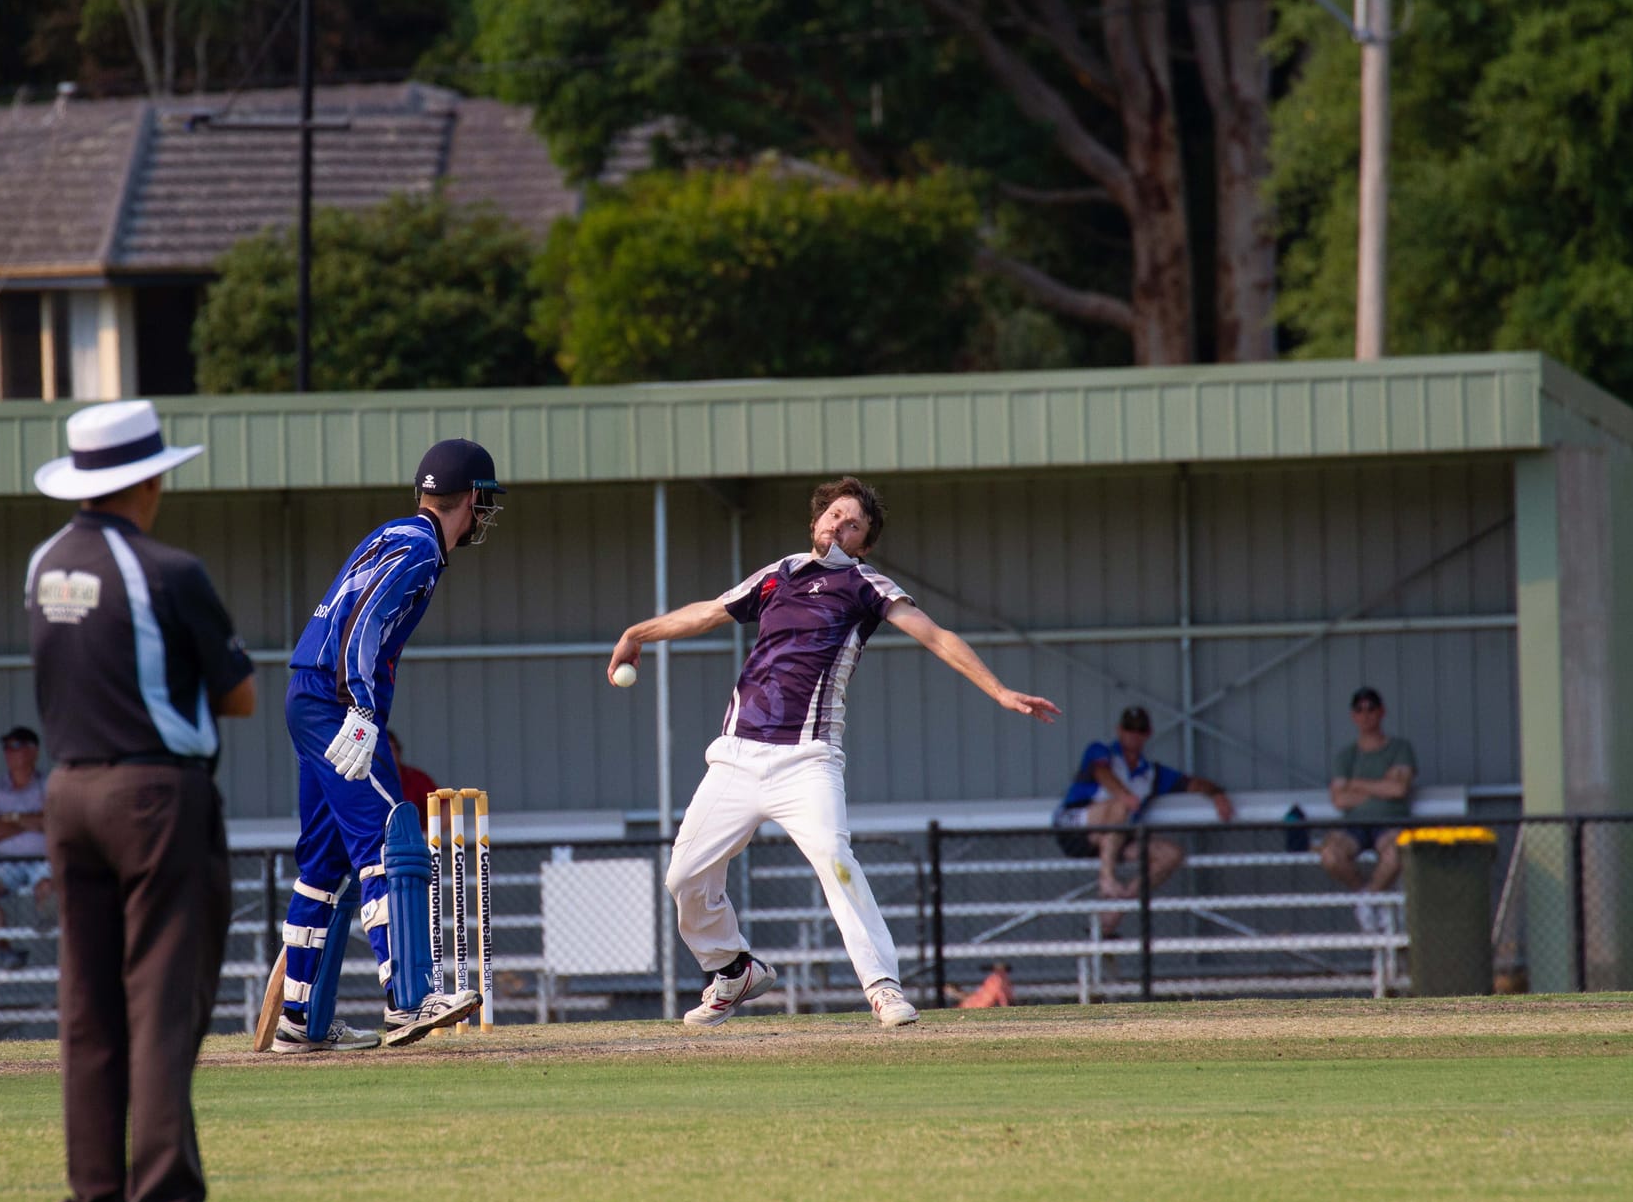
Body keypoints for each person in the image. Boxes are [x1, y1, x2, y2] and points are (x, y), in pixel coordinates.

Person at [608, 476, 1060, 1030]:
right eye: (835, 516)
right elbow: (707, 611)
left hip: (808, 759)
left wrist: (999, 690)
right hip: (737, 756)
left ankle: (883, 987)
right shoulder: (779, 574)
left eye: (854, 525)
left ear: (864, 544)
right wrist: (639, 632)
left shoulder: (867, 584)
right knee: (684, 876)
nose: (840, 526)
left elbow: (936, 635)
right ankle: (733, 969)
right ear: (817, 521)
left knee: (835, 861)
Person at [27, 399, 274, 1202]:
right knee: (163, 1006)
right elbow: (240, 694)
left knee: (89, 1012)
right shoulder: (169, 569)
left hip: (68, 792)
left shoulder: (44, 563)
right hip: (157, 797)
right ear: (149, 477)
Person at [278, 440, 501, 1053]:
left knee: (322, 866)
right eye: (486, 504)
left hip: (306, 693)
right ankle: (409, 1000)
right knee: (387, 839)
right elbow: (365, 625)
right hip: (334, 698)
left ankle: (298, 1023)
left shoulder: (392, 531)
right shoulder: (423, 550)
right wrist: (363, 710)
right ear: (474, 500)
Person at [1051, 706, 1235, 936]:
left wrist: (1217, 794)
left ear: (1147, 734)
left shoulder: (1152, 773)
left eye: (1139, 730)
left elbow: (1192, 784)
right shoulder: (1101, 752)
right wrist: (1125, 796)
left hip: (1115, 838)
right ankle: (1106, 879)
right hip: (1076, 827)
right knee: (1119, 809)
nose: (1133, 735)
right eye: (1129, 729)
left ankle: (1114, 912)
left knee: (1171, 854)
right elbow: (1101, 773)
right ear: (1119, 730)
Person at [1320, 686, 1418, 931]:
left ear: (1382, 712)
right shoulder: (1346, 755)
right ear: (1353, 716)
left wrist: (1356, 784)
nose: (1366, 715)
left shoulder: (1399, 748)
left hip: (1390, 822)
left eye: (1371, 708)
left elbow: (1399, 790)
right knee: (1330, 856)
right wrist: (1381, 785)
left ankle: (1370, 898)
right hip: (1353, 826)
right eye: (1359, 710)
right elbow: (1340, 800)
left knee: (1396, 854)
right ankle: (1365, 896)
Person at [0, 725, 54, 970]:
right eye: (6, 747)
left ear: (33, 751)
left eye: (16, 746)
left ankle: (48, 931)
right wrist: (29, 820)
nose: (9, 752)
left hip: (42, 861)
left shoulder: (49, 785)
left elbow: (54, 822)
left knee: (48, 886)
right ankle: (6, 950)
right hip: (5, 862)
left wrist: (10, 818)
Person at [388, 730, 437, 814]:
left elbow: (445, 808)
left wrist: (428, 827)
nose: (386, 755)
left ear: (399, 751)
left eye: (390, 750)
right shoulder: (363, 779)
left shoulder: (415, 778)